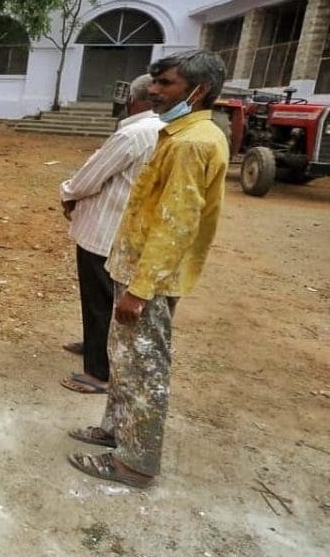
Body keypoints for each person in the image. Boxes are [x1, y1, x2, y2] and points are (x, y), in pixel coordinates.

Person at [67, 50, 229, 488]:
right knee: (125, 360)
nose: (154, 91)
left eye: (167, 83)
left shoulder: (193, 143)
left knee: (144, 369)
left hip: (149, 280)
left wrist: (139, 290)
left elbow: (175, 226)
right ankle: (116, 431)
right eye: (155, 82)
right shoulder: (176, 133)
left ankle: (135, 464)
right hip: (135, 269)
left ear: (199, 91)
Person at [59, 74, 163, 395]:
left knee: (98, 298)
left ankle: (98, 371)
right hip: (127, 231)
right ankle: (96, 345)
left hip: (104, 232)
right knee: (108, 297)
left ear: (132, 100)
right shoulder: (162, 130)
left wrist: (68, 193)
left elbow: (90, 176)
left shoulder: (132, 134)